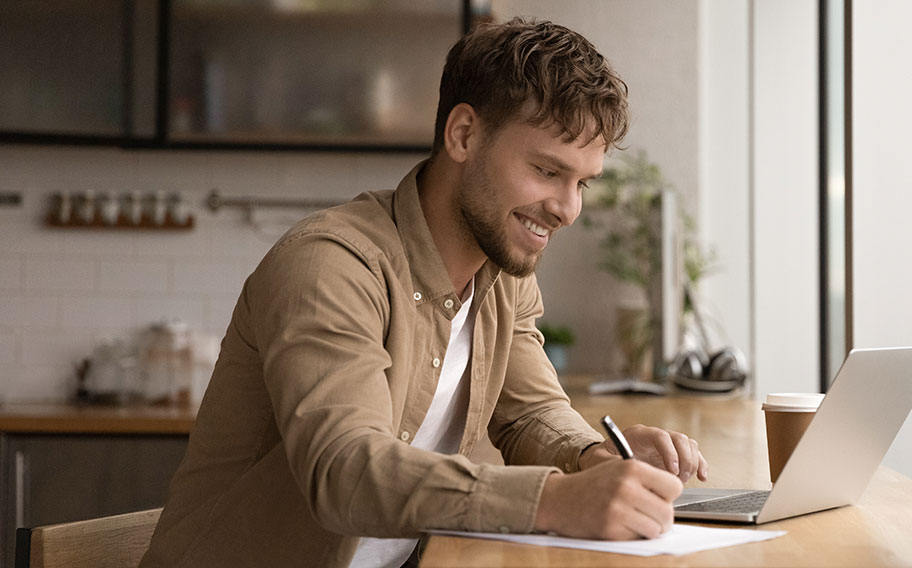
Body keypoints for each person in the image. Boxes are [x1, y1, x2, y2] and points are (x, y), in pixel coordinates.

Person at [141, 17, 707, 568]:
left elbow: (530, 411)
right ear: (463, 135)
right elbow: (344, 470)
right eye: (545, 170)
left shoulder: (506, 275)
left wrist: (596, 459)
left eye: (581, 182)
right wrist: (554, 501)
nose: (567, 209)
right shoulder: (331, 264)